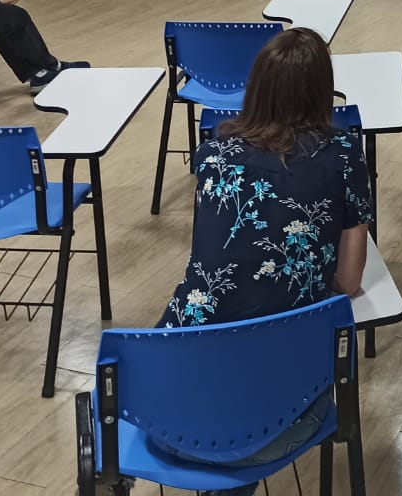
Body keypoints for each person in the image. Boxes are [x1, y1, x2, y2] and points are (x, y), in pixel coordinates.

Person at [158, 27, 372, 496]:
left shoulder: (213, 152)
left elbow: (214, 250)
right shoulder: (343, 155)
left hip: (165, 410)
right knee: (254, 405)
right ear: (322, 93)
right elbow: (351, 280)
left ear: (254, 88)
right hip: (288, 409)